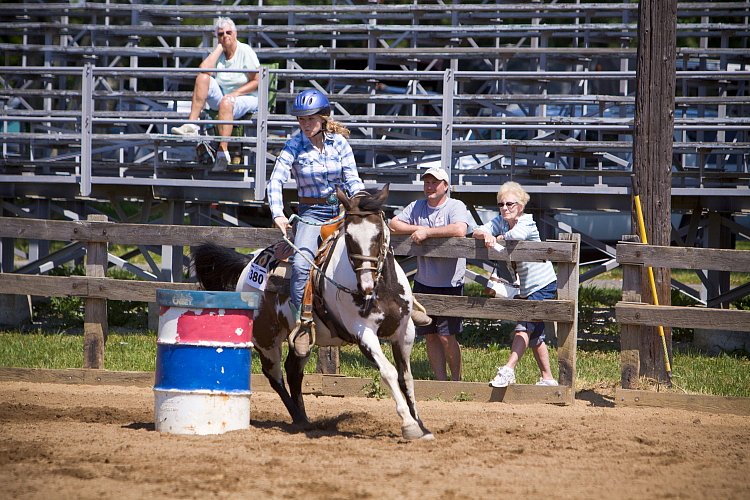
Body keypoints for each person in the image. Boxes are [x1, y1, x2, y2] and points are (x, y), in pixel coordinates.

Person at [266, 89, 364, 357]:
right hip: (310, 215)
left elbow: (352, 178)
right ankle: (303, 325)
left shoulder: (340, 144)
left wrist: (360, 201)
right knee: (300, 265)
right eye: (301, 119)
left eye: (310, 119)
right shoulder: (293, 146)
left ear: (323, 117)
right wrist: (278, 214)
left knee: (370, 248)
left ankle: (400, 302)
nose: (305, 124)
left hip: (341, 212)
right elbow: (276, 180)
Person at [389, 167, 473, 381]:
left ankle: (456, 380)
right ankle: (440, 381)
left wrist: (427, 233)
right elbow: (394, 224)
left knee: (447, 336)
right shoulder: (417, 206)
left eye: (434, 182)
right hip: (423, 280)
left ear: (446, 185)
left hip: (450, 282)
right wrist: (416, 228)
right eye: (426, 182)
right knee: (430, 335)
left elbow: (460, 229)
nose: (429, 186)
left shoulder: (455, 206)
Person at [473, 181, 559, 388]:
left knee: (523, 327)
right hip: (528, 287)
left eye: (509, 204)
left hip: (543, 284)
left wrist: (496, 238)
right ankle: (548, 378)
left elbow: (515, 236)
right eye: (501, 204)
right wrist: (486, 234)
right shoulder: (501, 221)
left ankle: (509, 369)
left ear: (520, 206)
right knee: (535, 335)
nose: (504, 208)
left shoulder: (527, 222)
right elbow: (476, 230)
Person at [171, 17, 261, 172]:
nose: (225, 36)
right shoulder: (219, 52)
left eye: (228, 32)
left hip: (248, 97)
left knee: (227, 101)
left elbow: (257, 81)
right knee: (203, 78)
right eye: (220, 34)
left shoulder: (245, 50)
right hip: (225, 97)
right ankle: (191, 125)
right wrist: (219, 48)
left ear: (235, 34)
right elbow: (203, 69)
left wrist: (236, 94)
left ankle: (222, 150)